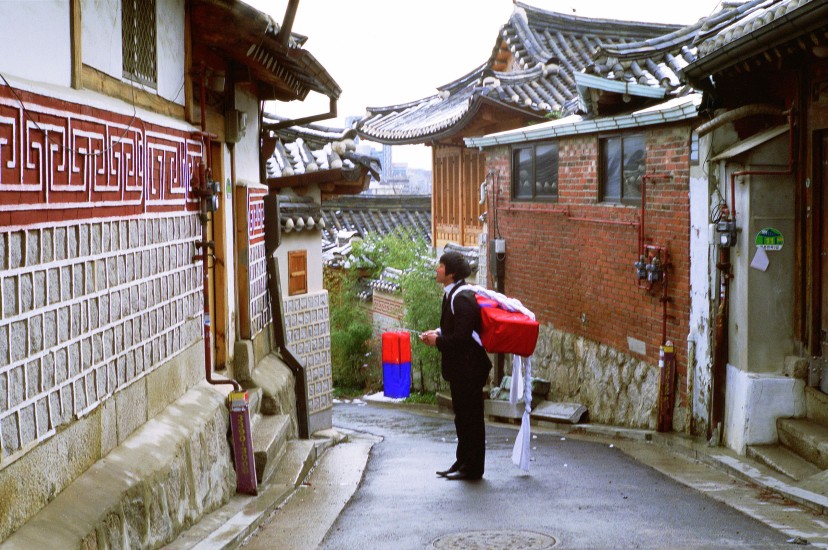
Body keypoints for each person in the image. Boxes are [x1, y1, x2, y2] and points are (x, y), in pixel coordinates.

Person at [420, 251, 492, 481]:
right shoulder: (452, 294)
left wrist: (438, 341)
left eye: (441, 266)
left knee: (471, 418)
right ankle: (462, 461)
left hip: (469, 368)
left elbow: (461, 338)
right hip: (462, 368)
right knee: (461, 416)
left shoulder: (461, 298)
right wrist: (438, 332)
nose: (437, 269)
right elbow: (456, 328)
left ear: (450, 273)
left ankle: (473, 467)